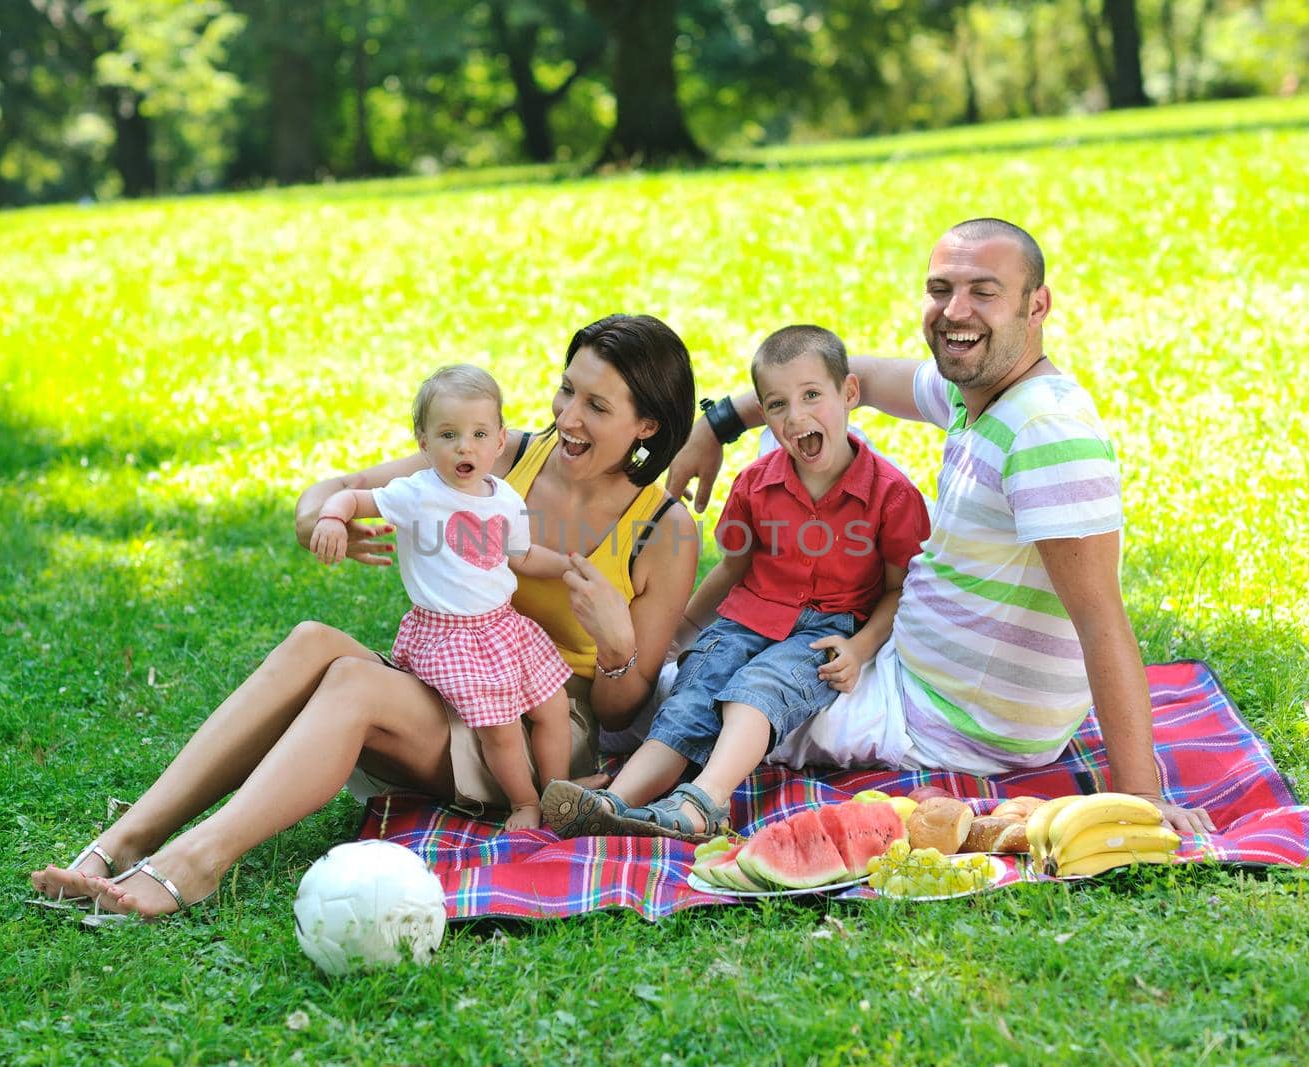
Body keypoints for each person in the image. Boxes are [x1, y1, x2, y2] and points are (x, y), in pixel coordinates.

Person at [29, 313, 700, 919]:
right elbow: (344, 488)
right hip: (455, 673)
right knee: (313, 640)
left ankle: (195, 861)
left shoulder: (663, 530)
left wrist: (617, 647)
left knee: (353, 681)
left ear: (646, 425)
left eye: (597, 405)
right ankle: (124, 840)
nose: (568, 416)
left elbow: (619, 712)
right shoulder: (498, 454)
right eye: (566, 389)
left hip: (540, 724)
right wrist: (318, 521)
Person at [667, 219, 1215, 835]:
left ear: (1037, 306)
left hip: (941, 713)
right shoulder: (977, 391)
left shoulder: (1044, 432)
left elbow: (1100, 615)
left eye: (984, 291)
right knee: (805, 424)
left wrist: (1139, 795)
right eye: (940, 289)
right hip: (908, 657)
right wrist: (711, 427)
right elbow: (848, 379)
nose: (955, 311)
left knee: (676, 696)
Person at [542, 325, 929, 840]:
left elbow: (897, 589)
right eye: (777, 405)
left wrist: (859, 648)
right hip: (747, 617)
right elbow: (733, 569)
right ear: (764, 415)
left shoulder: (892, 495)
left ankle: (702, 803)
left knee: (756, 692)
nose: (796, 417)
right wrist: (681, 630)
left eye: (812, 396)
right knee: (692, 691)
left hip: (825, 630)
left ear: (850, 394)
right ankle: (614, 802)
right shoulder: (755, 485)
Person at [309, 364, 576, 831]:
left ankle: (559, 792)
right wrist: (332, 517)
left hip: (505, 627)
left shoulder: (505, 497)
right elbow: (355, 499)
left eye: (477, 433)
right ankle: (523, 802)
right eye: (448, 434)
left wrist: (570, 566)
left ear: (499, 441)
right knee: (502, 731)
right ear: (423, 442)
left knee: (554, 708)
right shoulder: (417, 494)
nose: (463, 446)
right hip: (451, 636)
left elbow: (522, 555)